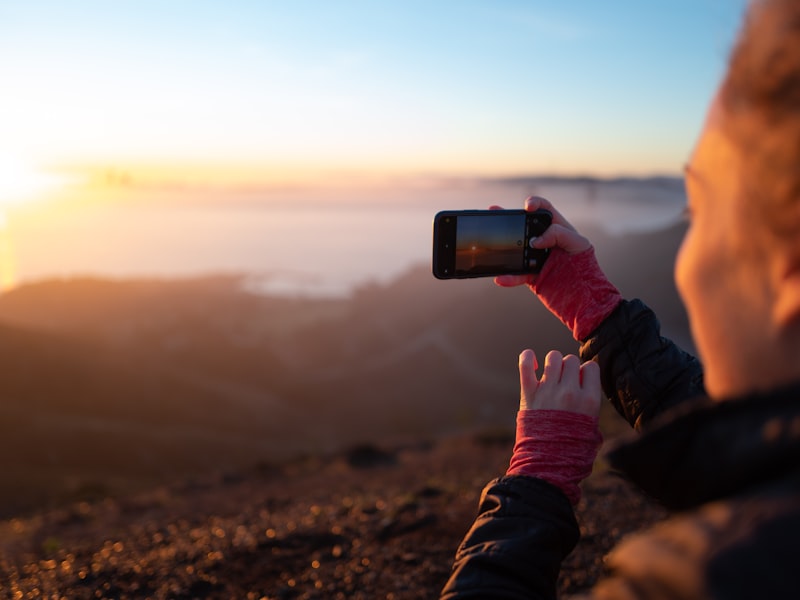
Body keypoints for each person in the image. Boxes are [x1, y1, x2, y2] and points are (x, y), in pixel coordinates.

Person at [441, 0, 800, 597]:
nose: (684, 264)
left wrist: (539, 477)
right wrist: (597, 311)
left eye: (698, 210)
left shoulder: (709, 578)